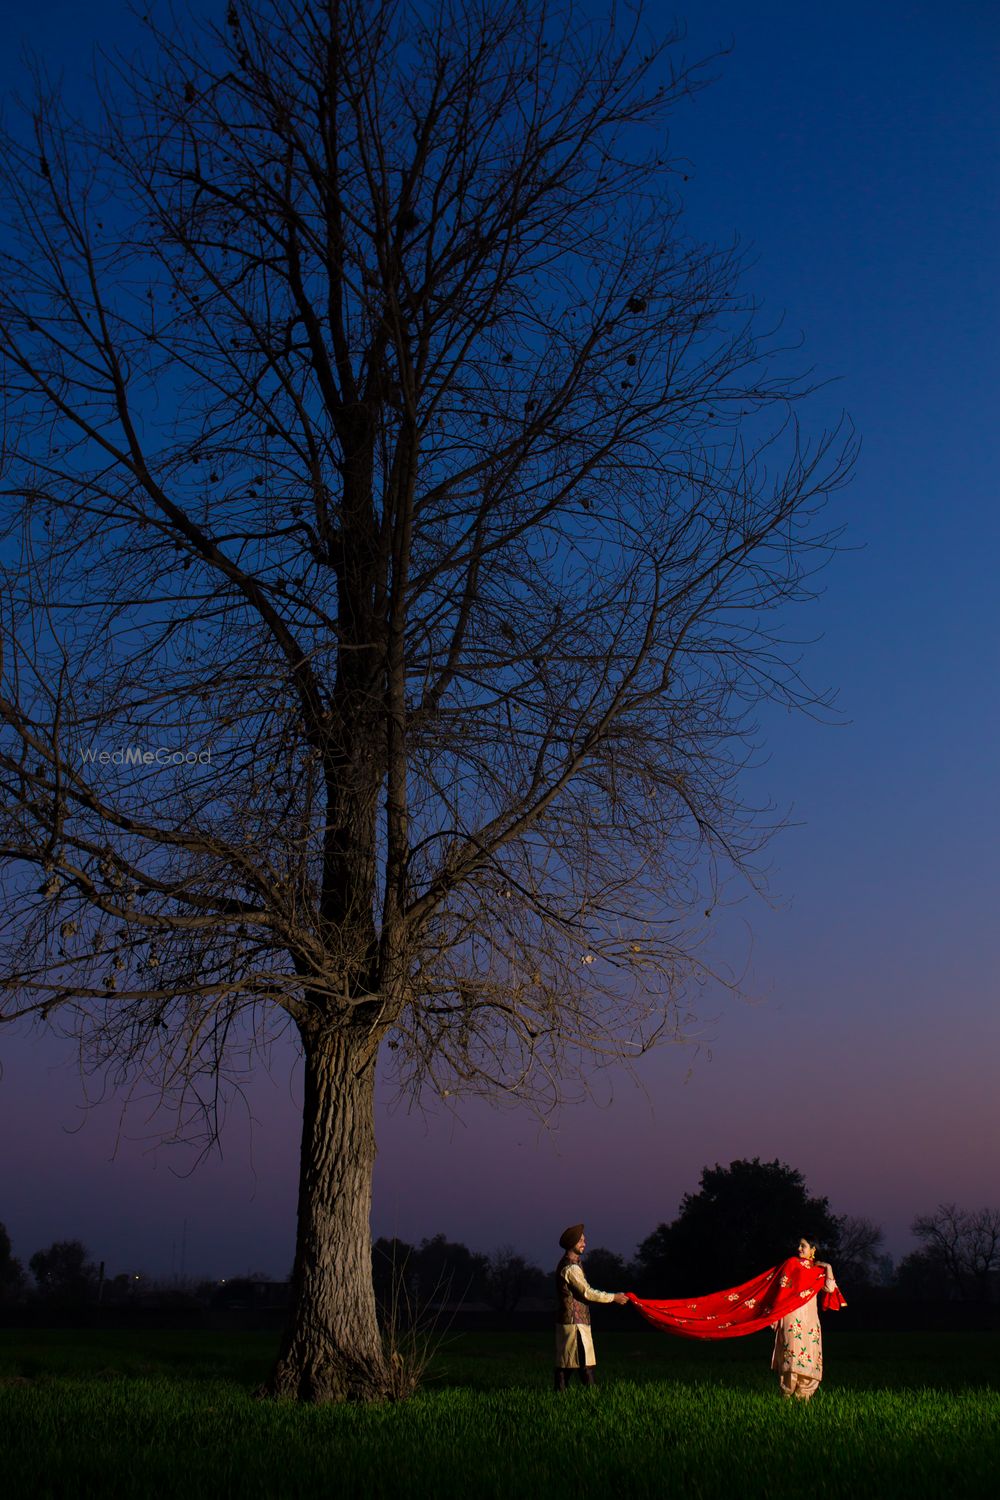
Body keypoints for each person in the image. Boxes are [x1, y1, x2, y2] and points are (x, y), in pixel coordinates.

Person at [554, 1223, 628, 1391]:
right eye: (580, 1240)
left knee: (569, 1363)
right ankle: (593, 1396)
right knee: (582, 1363)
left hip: (576, 1321)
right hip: (575, 1323)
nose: (584, 1243)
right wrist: (613, 1298)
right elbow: (587, 1293)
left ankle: (561, 1394)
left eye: (584, 1240)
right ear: (572, 1243)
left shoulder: (574, 1265)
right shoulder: (571, 1268)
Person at [770, 1237, 846, 1400]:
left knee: (810, 1353)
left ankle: (803, 1396)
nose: (799, 1248)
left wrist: (828, 1267)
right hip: (791, 1316)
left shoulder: (818, 1271)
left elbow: (829, 1288)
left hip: (810, 1320)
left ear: (813, 1250)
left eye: (803, 1246)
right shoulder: (791, 1264)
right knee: (793, 1353)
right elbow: (781, 1290)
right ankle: (787, 1395)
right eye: (799, 1245)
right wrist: (775, 1315)